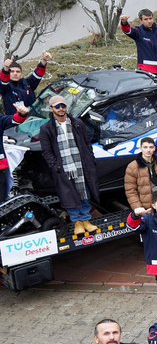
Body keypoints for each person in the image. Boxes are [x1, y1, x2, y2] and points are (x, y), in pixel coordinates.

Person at [37, 94, 100, 239]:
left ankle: (85, 219)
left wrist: (90, 158)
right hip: (63, 168)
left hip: (81, 164)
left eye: (63, 105)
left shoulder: (77, 123)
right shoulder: (46, 128)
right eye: (57, 106)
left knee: (84, 192)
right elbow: (46, 151)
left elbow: (86, 143)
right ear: (51, 108)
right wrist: (55, 166)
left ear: (66, 107)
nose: (60, 109)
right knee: (68, 195)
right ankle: (76, 221)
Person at [120, 9, 157, 83]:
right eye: (146, 19)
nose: (149, 21)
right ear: (141, 21)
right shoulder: (138, 31)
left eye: (150, 18)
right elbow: (128, 31)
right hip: (147, 72)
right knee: (151, 94)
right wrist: (124, 23)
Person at [124, 137, 157, 209]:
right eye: (145, 147)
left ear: (154, 148)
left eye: (151, 147)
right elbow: (130, 190)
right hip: (147, 206)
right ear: (140, 148)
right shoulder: (132, 166)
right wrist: (137, 207)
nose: (148, 150)